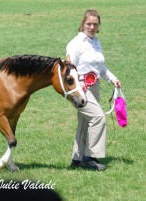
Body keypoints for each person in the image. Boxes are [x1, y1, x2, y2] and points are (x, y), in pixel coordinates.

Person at [66, 9, 122, 171]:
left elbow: (101, 67)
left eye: (95, 24)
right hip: (80, 89)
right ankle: (90, 158)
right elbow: (69, 70)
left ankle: (77, 159)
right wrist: (75, 91)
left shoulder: (96, 42)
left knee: (85, 123)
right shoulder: (75, 44)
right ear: (82, 24)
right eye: (88, 23)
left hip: (94, 86)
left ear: (98, 26)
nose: (91, 27)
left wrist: (112, 78)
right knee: (98, 118)